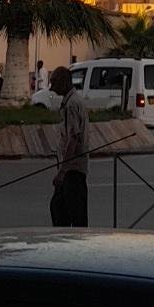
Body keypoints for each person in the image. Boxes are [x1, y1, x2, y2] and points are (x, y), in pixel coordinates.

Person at [49, 66, 89, 226]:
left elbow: (73, 138)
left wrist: (62, 172)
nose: (51, 87)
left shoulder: (72, 104)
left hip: (73, 170)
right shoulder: (71, 101)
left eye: (54, 82)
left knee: (75, 215)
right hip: (71, 169)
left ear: (64, 81)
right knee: (58, 208)